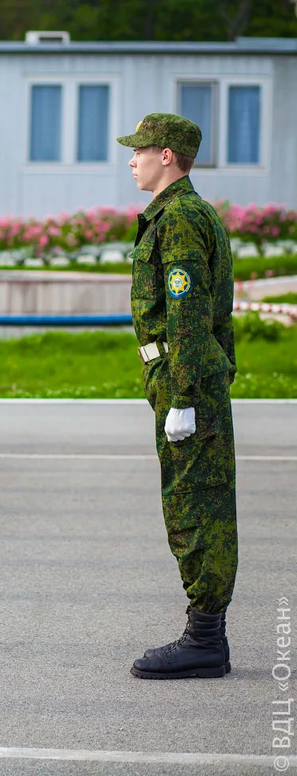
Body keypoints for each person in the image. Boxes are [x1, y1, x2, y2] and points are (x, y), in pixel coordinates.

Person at [116, 113, 236, 680]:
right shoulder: (180, 213)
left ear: (167, 155)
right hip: (180, 376)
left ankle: (205, 638)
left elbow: (189, 312)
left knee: (196, 506)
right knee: (190, 500)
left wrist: (186, 393)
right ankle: (205, 633)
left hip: (184, 380)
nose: (132, 159)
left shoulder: (181, 217)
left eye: (140, 150)